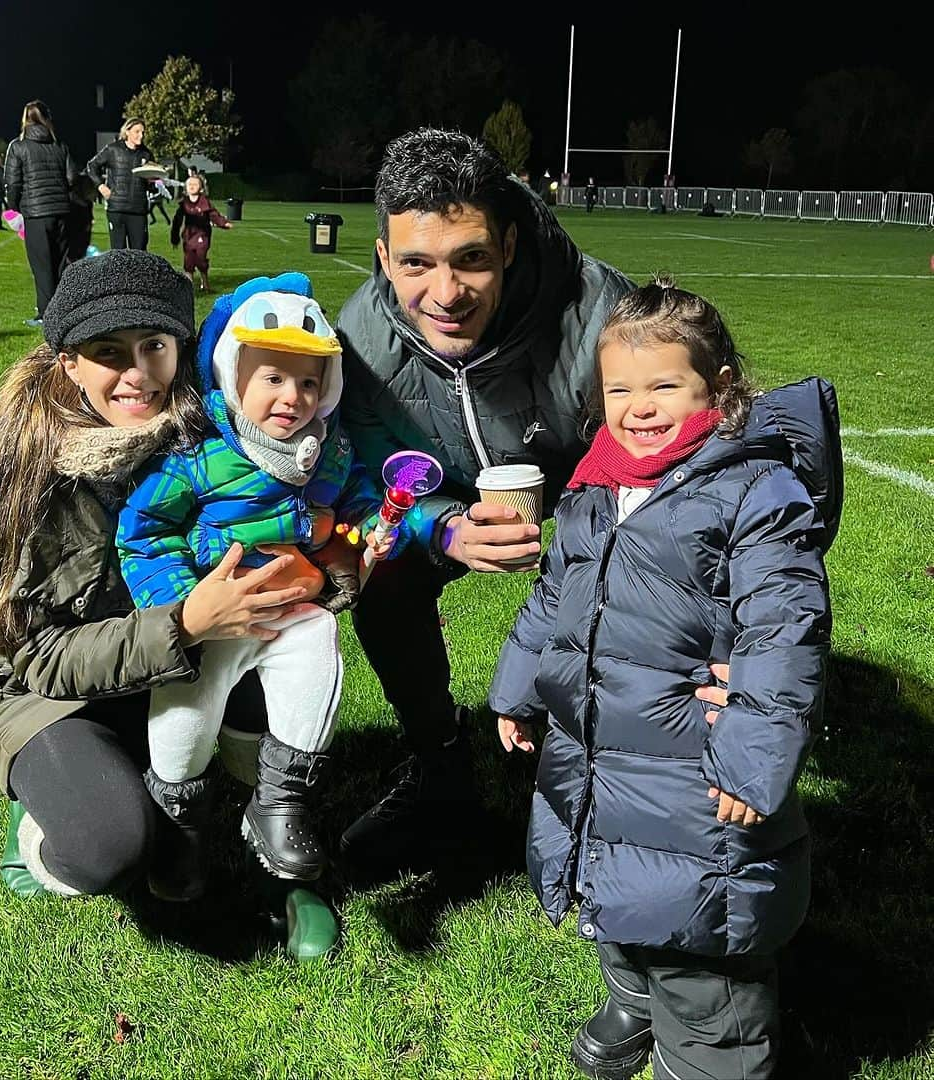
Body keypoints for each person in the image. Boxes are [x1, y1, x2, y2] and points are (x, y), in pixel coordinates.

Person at [490, 277, 840, 1079]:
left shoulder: (754, 489)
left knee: (702, 950)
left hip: (696, 776)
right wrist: (518, 688)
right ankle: (633, 999)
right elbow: (556, 593)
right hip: (598, 759)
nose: (638, 407)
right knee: (616, 895)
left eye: (663, 386)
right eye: (620, 388)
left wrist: (752, 751)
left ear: (716, 390)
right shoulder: (595, 484)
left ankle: (707, 1057)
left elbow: (783, 626)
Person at [0, 250, 337, 959]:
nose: (136, 374)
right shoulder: (28, 464)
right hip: (53, 691)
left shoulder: (219, 430)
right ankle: (43, 828)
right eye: (109, 353)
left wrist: (331, 571)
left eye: (154, 347)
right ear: (68, 361)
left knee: (288, 708)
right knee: (109, 844)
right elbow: (33, 656)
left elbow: (296, 531)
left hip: (189, 657)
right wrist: (186, 623)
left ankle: (289, 873)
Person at [334, 127, 634, 877]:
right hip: (444, 491)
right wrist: (443, 530)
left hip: (581, 484)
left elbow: (665, 474)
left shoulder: (601, 315)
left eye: (470, 258)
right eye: (416, 264)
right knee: (380, 565)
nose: (445, 294)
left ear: (506, 243)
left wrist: (577, 554)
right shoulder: (361, 337)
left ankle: (609, 767)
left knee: (632, 572)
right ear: (383, 259)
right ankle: (439, 768)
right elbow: (371, 480)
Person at [116, 273, 404, 902]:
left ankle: (280, 800)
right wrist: (181, 604)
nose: (292, 397)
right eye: (272, 378)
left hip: (287, 608)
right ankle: (179, 821)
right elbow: (143, 529)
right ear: (232, 376)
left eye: (308, 382)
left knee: (319, 637)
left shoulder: (325, 452)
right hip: (212, 615)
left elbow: (353, 501)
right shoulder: (198, 455)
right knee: (187, 708)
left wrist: (366, 530)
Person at [4, 100, 77, 327]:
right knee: (60, 263)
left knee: (42, 264)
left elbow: (12, 182)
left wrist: (13, 206)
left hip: (36, 213)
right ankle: (64, 309)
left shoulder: (18, 146)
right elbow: (72, 178)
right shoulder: (60, 145)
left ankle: (47, 314)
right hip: (62, 211)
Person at [85, 118, 156, 251]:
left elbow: (150, 183)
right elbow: (91, 166)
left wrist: (153, 181)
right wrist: (101, 186)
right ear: (127, 131)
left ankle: (137, 273)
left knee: (139, 254)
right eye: (137, 131)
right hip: (117, 209)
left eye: (143, 132)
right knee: (118, 253)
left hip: (138, 210)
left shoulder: (146, 154)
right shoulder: (113, 149)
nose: (141, 135)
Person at [170, 174, 232, 292]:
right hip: (189, 235)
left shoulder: (205, 203)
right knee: (188, 260)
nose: (192, 186)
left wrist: (223, 223)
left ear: (201, 188)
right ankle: (189, 285)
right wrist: (174, 238)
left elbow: (214, 215)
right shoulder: (184, 204)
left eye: (195, 184)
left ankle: (205, 282)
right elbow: (177, 221)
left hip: (202, 235)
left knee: (200, 258)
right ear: (186, 188)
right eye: (189, 184)